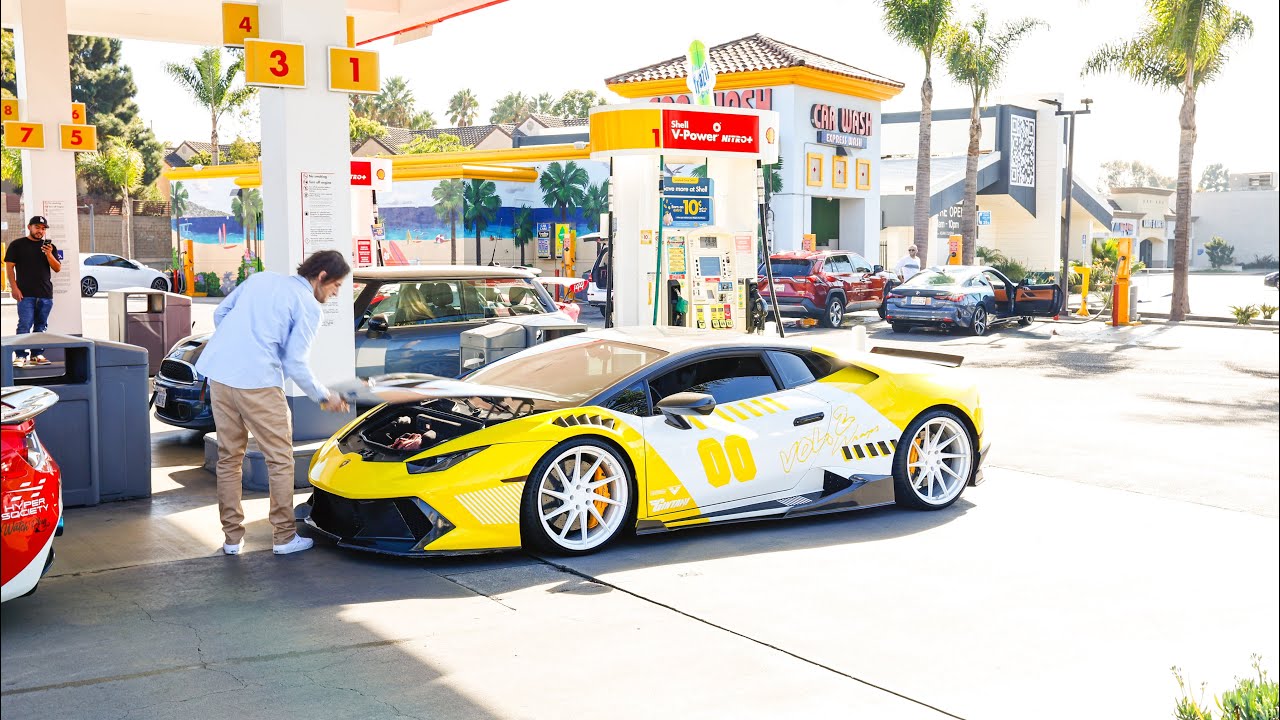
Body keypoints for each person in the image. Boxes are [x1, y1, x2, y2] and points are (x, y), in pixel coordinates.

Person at [195, 250, 351, 557]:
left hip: (221, 376)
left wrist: (240, 346)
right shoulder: (308, 305)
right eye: (336, 285)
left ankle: (231, 539)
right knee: (280, 459)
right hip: (259, 384)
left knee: (229, 458)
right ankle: (283, 537)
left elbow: (220, 314)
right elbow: (295, 362)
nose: (336, 293)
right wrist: (324, 396)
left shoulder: (261, 279)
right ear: (321, 277)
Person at [5, 216, 62, 367]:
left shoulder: (50, 247)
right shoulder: (17, 245)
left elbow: (57, 268)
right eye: (37, 227)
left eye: (43, 228)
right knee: (24, 325)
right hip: (25, 294)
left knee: (41, 326)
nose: (40, 231)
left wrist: (49, 254)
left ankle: (37, 354)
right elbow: (9, 268)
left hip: (45, 294)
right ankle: (20, 355)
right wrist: (14, 288)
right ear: (29, 227)